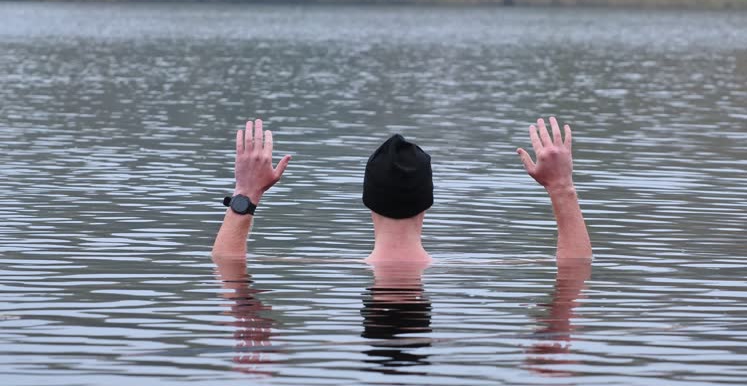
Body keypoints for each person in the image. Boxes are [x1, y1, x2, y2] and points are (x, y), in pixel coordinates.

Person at [212, 117, 592, 261]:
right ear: (428, 202)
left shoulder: (324, 268)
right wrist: (561, 187)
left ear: (367, 202)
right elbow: (576, 266)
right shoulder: (467, 270)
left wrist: (247, 191)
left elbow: (227, 265)